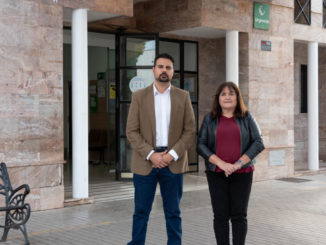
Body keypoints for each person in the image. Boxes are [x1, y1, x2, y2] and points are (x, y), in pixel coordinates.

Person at [126, 53, 196, 245]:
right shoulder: (139, 96)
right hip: (145, 162)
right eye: (160, 66)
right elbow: (131, 131)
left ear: (172, 72)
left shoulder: (183, 97)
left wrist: (171, 155)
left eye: (168, 67)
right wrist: (151, 154)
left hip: (173, 163)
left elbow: (190, 131)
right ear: (153, 70)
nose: (164, 70)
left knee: (173, 212)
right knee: (141, 212)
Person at [197, 81, 264, 245]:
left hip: (243, 173)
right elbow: (200, 145)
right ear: (218, 98)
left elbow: (258, 143)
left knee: (239, 216)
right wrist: (222, 164)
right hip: (216, 174)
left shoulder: (247, 117)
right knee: (220, 216)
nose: (227, 97)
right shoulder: (210, 119)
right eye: (223, 94)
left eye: (231, 93)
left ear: (237, 97)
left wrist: (238, 164)